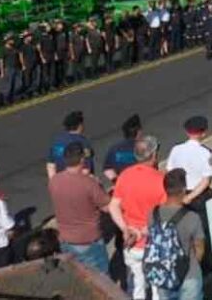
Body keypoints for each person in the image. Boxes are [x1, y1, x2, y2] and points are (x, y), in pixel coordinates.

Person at [109, 136, 167, 300]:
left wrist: (124, 228)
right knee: (157, 288)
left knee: (136, 285)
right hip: (153, 243)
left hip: (132, 243)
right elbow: (164, 216)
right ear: (154, 155)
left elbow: (114, 206)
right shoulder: (161, 180)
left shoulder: (125, 176)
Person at [48, 142, 111, 274]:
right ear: (82, 159)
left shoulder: (54, 181)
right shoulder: (89, 183)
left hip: (66, 240)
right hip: (89, 241)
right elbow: (107, 207)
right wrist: (99, 185)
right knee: (101, 281)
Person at [149, 169, 206, 300]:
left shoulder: (153, 214)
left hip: (163, 273)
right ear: (184, 189)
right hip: (189, 274)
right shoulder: (192, 217)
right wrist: (194, 264)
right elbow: (200, 248)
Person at [166, 116, 212, 209]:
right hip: (198, 196)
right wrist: (189, 197)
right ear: (203, 133)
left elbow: (170, 173)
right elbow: (206, 180)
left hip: (179, 195)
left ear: (187, 132)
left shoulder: (176, 149)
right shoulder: (205, 152)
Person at [46, 111, 94, 179]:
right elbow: (86, 170)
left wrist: (54, 182)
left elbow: (50, 165)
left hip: (59, 183)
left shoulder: (57, 141)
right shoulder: (83, 143)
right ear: (80, 126)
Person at [103, 114, 143, 183]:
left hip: (122, 187)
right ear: (138, 132)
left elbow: (107, 169)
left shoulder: (113, 150)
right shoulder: (143, 149)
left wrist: (116, 181)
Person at [0, 33, 21, 105]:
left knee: (18, 84)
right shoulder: (3, 49)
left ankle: (15, 98)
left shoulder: (14, 48)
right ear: (7, 40)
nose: (13, 41)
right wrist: (2, 72)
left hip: (16, 67)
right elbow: (1, 61)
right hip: (8, 68)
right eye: (11, 39)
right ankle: (6, 100)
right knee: (8, 86)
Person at [19, 30, 39, 98]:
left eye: (30, 36)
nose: (31, 37)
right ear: (25, 38)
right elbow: (21, 56)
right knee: (27, 79)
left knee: (34, 77)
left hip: (34, 63)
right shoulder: (22, 46)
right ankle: (27, 92)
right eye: (29, 36)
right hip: (27, 64)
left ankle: (34, 91)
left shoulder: (32, 44)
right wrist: (23, 65)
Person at [37, 23, 56, 94]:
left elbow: (53, 46)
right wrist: (42, 57)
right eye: (47, 27)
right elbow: (39, 48)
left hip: (51, 54)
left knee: (52, 71)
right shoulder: (40, 37)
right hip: (45, 55)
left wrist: (55, 54)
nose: (49, 27)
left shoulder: (50, 36)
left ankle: (51, 85)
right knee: (45, 73)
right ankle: (45, 87)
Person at [53, 20, 70, 88]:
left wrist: (68, 51)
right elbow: (53, 44)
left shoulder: (65, 32)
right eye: (59, 24)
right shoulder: (54, 33)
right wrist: (55, 54)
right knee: (58, 69)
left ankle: (64, 80)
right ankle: (59, 83)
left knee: (65, 67)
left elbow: (67, 41)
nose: (60, 26)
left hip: (64, 51)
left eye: (61, 24)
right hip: (58, 52)